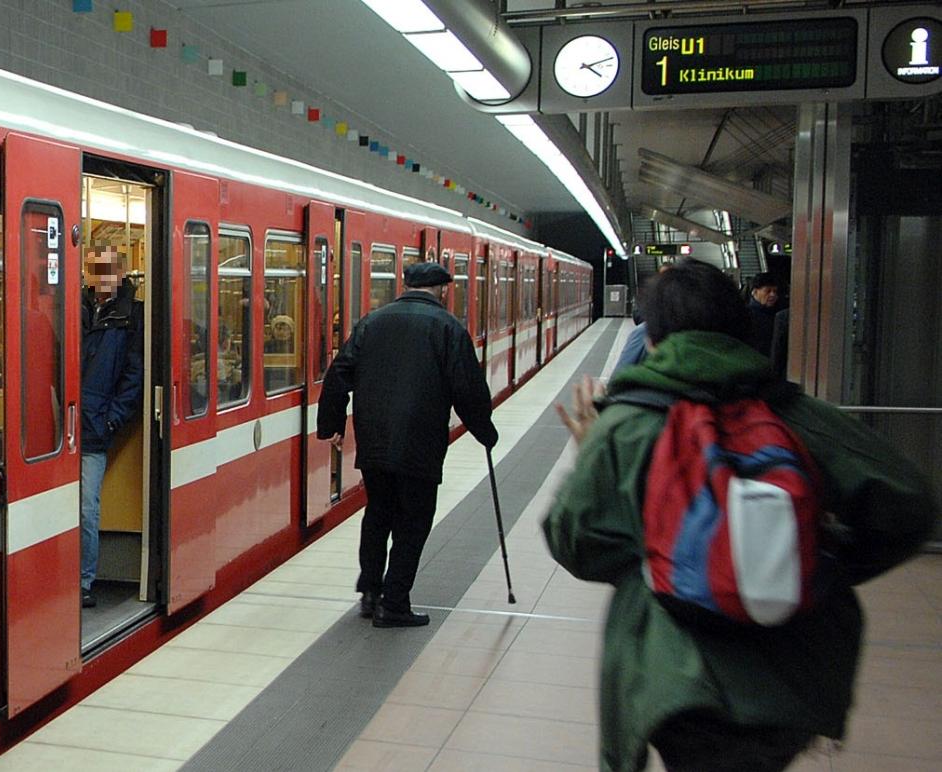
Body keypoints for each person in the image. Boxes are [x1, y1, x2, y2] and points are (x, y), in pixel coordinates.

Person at [546, 260, 936, 772]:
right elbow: (910, 504)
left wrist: (658, 541)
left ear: (655, 338)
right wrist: (820, 564)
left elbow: (576, 543)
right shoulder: (798, 415)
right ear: (741, 326)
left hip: (678, 677)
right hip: (793, 670)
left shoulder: (625, 423)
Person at [316, 261, 498, 628]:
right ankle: (394, 603)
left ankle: (369, 593)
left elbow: (338, 373)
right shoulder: (449, 328)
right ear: (442, 290)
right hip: (420, 442)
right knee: (413, 521)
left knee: (378, 513)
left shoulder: (372, 322)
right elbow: (467, 388)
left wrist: (331, 424)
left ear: (406, 285)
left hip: (375, 441)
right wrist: (485, 432)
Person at [80, 247, 143, 608]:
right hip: (64, 429)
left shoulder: (131, 315)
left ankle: (84, 580)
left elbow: (133, 377)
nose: (100, 278)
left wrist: (111, 420)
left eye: (107, 271)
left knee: (87, 507)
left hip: (95, 428)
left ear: (120, 275)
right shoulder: (75, 308)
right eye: (94, 270)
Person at [742, 271, 782, 357]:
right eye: (768, 291)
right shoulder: (746, 316)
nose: (772, 295)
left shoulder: (778, 315)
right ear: (755, 292)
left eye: (775, 291)